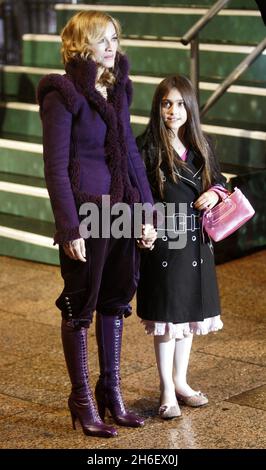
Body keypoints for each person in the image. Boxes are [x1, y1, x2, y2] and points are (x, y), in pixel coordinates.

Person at [37, 10, 156, 438]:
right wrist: (69, 227)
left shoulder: (117, 88)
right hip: (87, 212)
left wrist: (147, 213)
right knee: (80, 305)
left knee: (116, 299)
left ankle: (112, 392)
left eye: (115, 38)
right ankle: (82, 399)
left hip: (121, 209)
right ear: (82, 43)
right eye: (103, 39)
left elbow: (132, 156)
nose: (113, 46)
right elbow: (54, 167)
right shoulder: (62, 93)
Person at [136, 75, 227, 419]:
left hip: (197, 243)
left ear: (190, 107)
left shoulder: (201, 144)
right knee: (167, 319)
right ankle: (165, 389)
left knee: (188, 318)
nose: (173, 111)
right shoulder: (145, 147)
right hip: (165, 241)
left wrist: (214, 193)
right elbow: (137, 195)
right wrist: (143, 225)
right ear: (157, 107)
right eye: (166, 103)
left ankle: (181, 382)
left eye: (179, 103)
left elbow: (220, 181)